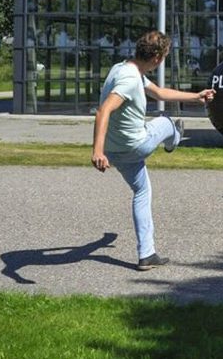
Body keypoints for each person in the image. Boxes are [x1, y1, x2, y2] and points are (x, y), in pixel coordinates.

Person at [91, 30, 215, 271]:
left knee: (142, 191)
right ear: (157, 58)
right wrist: (97, 152)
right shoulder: (129, 79)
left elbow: (158, 92)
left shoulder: (122, 69)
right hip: (136, 145)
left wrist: (196, 96)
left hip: (117, 151)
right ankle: (173, 139)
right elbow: (103, 110)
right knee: (166, 121)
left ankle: (146, 255)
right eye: (164, 57)